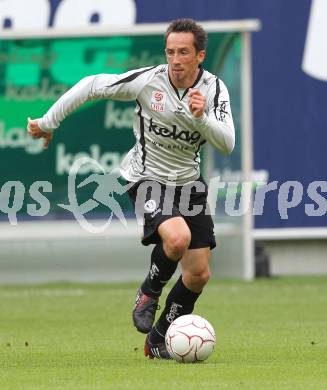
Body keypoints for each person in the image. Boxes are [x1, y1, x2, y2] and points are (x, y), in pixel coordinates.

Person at [27, 18, 235, 360]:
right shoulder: (148, 81)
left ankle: (158, 338)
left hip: (189, 184)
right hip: (146, 177)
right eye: (170, 52)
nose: (176, 59)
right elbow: (92, 84)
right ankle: (149, 291)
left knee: (198, 273)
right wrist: (48, 121)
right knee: (177, 238)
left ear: (200, 56)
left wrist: (202, 118)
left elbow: (227, 143)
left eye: (184, 52)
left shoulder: (214, 90)